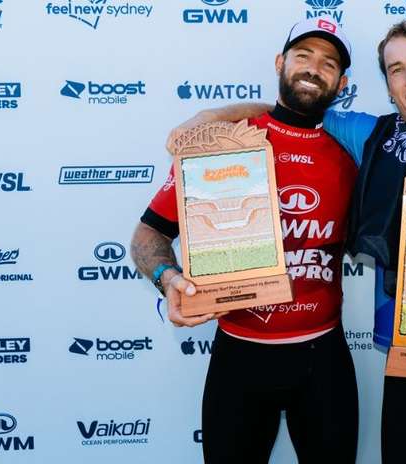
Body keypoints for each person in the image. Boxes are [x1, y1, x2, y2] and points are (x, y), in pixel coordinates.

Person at [164, 22, 406, 464]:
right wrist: (210, 116)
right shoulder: (369, 135)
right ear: (386, 84)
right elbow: (290, 106)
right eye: (396, 69)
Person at [130, 18, 361, 464]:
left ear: (342, 81)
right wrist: (167, 276)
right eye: (303, 56)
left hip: (323, 358)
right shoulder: (225, 142)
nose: (314, 69)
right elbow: (149, 232)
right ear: (280, 62)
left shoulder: (352, 149)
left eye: (328, 63)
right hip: (239, 353)